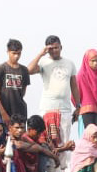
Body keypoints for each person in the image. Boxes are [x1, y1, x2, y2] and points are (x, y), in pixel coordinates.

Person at [27, 35, 77, 165]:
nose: (54, 51)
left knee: (64, 138)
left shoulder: (69, 63)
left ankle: (64, 170)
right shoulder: (44, 62)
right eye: (51, 49)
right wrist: (41, 54)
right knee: (48, 138)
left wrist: (78, 106)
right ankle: (50, 169)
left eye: (56, 48)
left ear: (61, 47)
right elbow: (29, 70)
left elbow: (74, 85)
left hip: (65, 108)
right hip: (48, 107)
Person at [0, 40, 30, 122]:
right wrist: (3, 113)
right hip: (5, 110)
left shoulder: (24, 70)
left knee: (20, 133)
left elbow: (22, 93)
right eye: (14, 53)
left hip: (20, 111)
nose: (16, 56)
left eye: (19, 53)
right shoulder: (0, 68)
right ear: (8, 52)